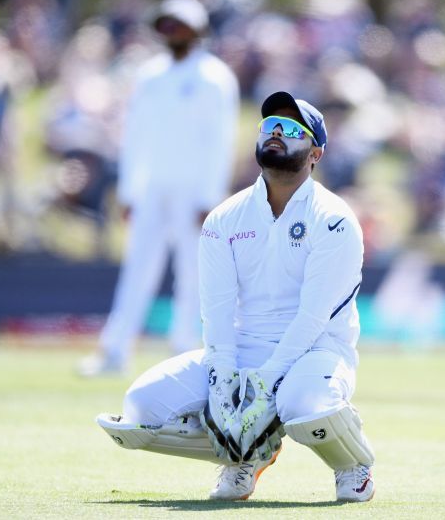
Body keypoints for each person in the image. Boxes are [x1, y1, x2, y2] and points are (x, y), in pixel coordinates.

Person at [96, 91, 375, 502]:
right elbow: (218, 311)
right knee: (141, 409)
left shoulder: (334, 219)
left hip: (317, 350)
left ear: (315, 152)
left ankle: (354, 466)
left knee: (304, 400)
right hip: (244, 346)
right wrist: (223, 375)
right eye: (269, 127)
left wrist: (267, 380)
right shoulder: (224, 218)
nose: (276, 133)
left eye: (292, 129)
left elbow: (315, 315)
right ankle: (246, 455)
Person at [79, 0, 239, 375]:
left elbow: (221, 141)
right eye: (167, 24)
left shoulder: (214, 77)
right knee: (137, 267)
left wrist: (209, 197)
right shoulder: (150, 74)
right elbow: (136, 137)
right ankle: (114, 350)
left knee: (192, 271)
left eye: (179, 24)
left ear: (197, 30)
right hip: (152, 188)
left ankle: (185, 353)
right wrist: (131, 190)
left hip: (193, 191)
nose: (172, 31)